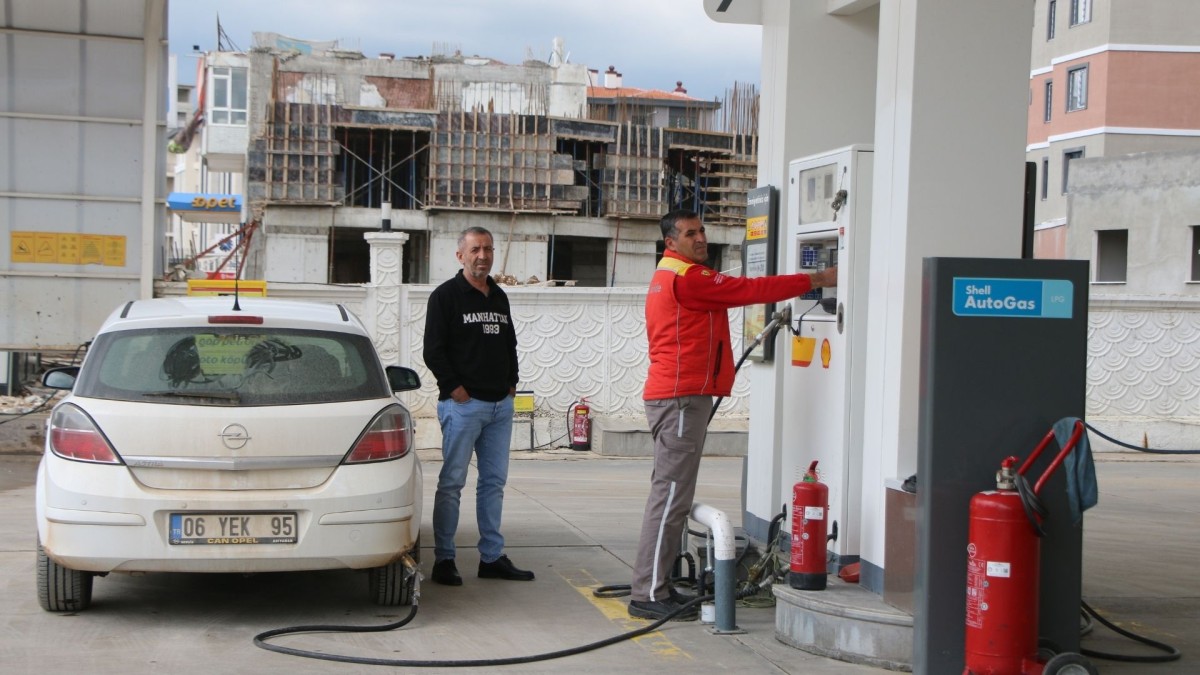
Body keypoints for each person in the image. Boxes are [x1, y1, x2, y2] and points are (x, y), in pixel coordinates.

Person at [629, 209, 837, 621]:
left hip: (678, 397)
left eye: (702, 231)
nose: (700, 238)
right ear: (671, 241)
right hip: (682, 400)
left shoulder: (667, 274)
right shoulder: (689, 277)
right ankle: (648, 593)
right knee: (669, 498)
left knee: (670, 495)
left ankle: (655, 586)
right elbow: (749, 288)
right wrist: (816, 279)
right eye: (691, 233)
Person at [423, 226, 534, 585]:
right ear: (461, 255)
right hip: (464, 407)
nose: (482, 255)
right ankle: (444, 559)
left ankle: (491, 558)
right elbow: (433, 351)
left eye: (487, 249)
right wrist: (455, 390)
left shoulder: (498, 296)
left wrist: (511, 386)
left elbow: (509, 344)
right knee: (452, 482)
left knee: (493, 484)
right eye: (475, 249)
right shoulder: (445, 297)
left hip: (500, 406)